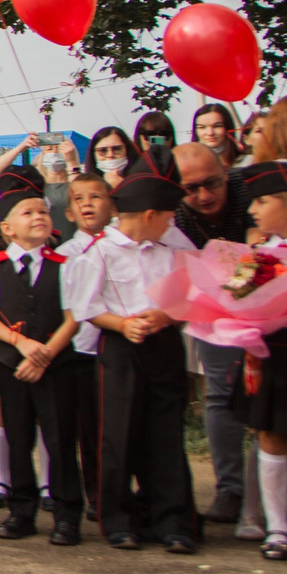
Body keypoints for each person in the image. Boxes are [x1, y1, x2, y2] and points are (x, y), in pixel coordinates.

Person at [67, 146, 198, 552]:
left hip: (163, 346)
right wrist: (124, 324)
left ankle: (173, 520)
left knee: (165, 434)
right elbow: (87, 307)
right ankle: (118, 519)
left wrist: (166, 316)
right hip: (120, 348)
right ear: (148, 216)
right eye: (167, 218)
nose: (170, 225)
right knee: (118, 434)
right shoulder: (100, 253)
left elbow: (190, 298)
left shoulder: (172, 251)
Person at [0, 166, 87, 545]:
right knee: (18, 437)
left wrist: (46, 353)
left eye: (43, 211)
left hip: (56, 366)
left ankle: (68, 514)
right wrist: (20, 344)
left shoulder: (63, 265)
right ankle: (21, 512)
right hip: (12, 365)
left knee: (59, 440)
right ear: (6, 227)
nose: (38, 216)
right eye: (28, 212)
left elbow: (73, 317)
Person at [174, 140, 255, 530]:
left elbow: (263, 249)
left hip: (270, 297)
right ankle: (230, 489)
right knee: (220, 394)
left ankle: (283, 488)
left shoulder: (248, 186)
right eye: (192, 189)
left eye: (212, 183)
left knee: (275, 396)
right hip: (212, 305)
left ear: (227, 172)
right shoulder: (175, 212)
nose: (204, 196)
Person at [240, 159, 287, 559]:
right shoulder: (259, 254)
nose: (253, 210)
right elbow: (233, 296)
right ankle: (277, 529)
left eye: (262, 201)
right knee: (270, 434)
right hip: (271, 354)